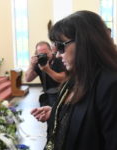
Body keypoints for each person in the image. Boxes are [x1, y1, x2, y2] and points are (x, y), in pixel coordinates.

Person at [31, 10, 117, 150]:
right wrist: (56, 113)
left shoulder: (111, 84)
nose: (58, 55)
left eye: (60, 46)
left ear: (85, 42)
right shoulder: (76, 77)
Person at [25, 41, 67, 106]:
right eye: (40, 54)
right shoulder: (39, 62)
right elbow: (28, 79)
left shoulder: (59, 60)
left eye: (45, 53)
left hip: (61, 95)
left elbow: (63, 78)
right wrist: (31, 65)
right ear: (37, 54)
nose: (43, 56)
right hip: (47, 95)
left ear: (51, 51)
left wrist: (47, 70)